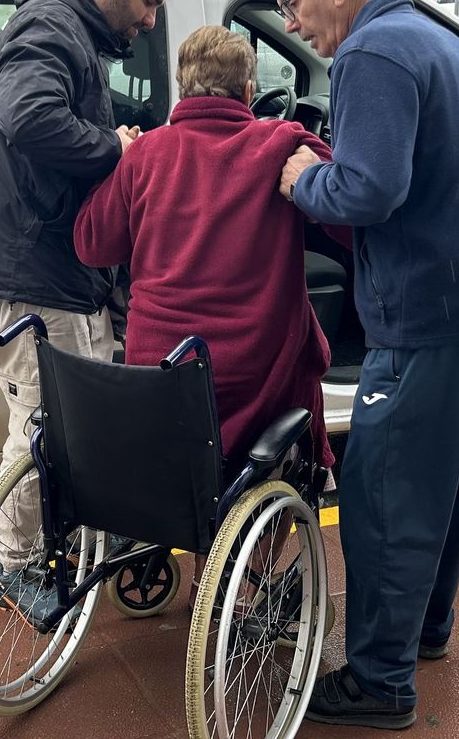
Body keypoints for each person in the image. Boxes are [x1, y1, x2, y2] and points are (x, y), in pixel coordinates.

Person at [273, 0, 459, 729]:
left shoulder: (371, 57)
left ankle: (379, 682)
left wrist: (304, 179)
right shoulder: (432, 39)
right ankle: (425, 631)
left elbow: (369, 190)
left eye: (293, 3)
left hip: (429, 318)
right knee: (447, 486)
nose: (291, 24)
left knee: (384, 496)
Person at [0, 0, 171, 629]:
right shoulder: (51, 26)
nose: (151, 18)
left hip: (44, 270)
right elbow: (30, 116)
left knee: (71, 422)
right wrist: (115, 149)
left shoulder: (62, 27)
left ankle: (62, 539)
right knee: (45, 426)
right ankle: (15, 566)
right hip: (31, 275)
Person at [74, 24, 342, 474]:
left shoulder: (146, 154)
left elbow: (91, 245)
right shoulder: (282, 143)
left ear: (182, 87)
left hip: (163, 373)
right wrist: (310, 178)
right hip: (256, 375)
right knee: (299, 362)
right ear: (249, 89)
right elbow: (352, 217)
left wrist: (120, 163)